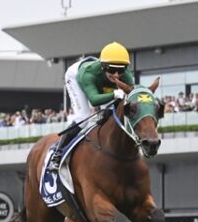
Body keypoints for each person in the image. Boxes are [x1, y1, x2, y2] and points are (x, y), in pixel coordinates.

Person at [46, 42, 136, 174]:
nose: (116, 75)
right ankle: (57, 155)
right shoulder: (88, 75)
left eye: (121, 70)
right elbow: (94, 100)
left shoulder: (127, 76)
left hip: (101, 80)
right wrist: (115, 94)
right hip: (76, 77)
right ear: (104, 66)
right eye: (112, 70)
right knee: (83, 117)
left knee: (109, 114)